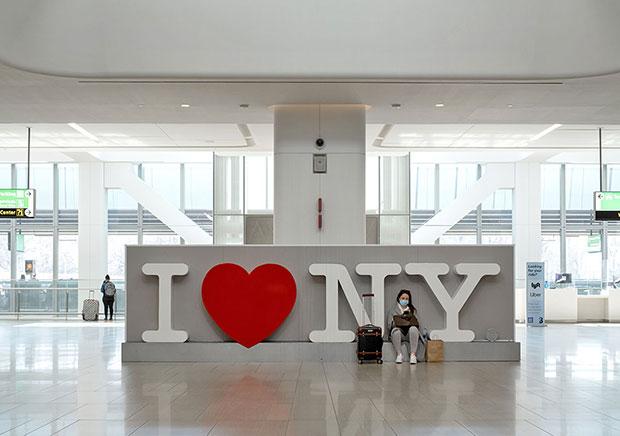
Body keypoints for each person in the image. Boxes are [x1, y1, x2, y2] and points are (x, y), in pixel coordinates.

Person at [385, 289, 420, 364]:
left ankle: (413, 355)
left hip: (409, 333)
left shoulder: (413, 310)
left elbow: (417, 323)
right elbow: (389, 326)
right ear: (399, 298)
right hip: (399, 332)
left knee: (413, 329)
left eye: (407, 299)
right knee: (395, 331)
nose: (405, 300)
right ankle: (399, 354)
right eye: (403, 298)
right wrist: (399, 321)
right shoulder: (392, 310)